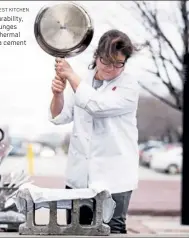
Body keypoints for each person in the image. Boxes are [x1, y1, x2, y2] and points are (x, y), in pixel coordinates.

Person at [49, 29, 140, 234]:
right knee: (76, 231)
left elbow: (97, 106)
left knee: (111, 231)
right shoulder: (82, 81)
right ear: (96, 56)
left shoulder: (129, 86)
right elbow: (59, 117)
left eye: (119, 63)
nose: (111, 68)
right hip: (79, 175)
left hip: (115, 177)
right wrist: (57, 94)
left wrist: (70, 75)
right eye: (106, 61)